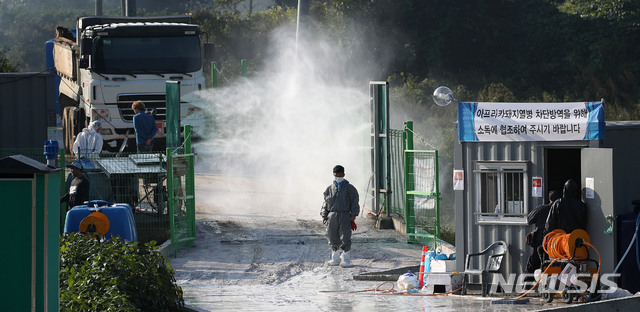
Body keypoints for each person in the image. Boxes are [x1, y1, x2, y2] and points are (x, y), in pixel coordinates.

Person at [321, 165, 360, 268]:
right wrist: (324, 214)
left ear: (343, 175)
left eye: (340, 175)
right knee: (332, 236)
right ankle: (335, 258)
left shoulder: (350, 188)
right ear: (333, 175)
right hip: (332, 215)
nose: (338, 177)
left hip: (345, 215)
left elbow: (354, 202)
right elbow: (326, 202)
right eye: (336, 175)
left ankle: (346, 259)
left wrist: (353, 215)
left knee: (345, 236)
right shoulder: (330, 189)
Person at [525, 189, 560, 274]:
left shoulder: (541, 208)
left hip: (539, 239)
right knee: (554, 266)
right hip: (556, 242)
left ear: (549, 199)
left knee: (532, 265)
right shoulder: (561, 211)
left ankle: (528, 285)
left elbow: (529, 220)